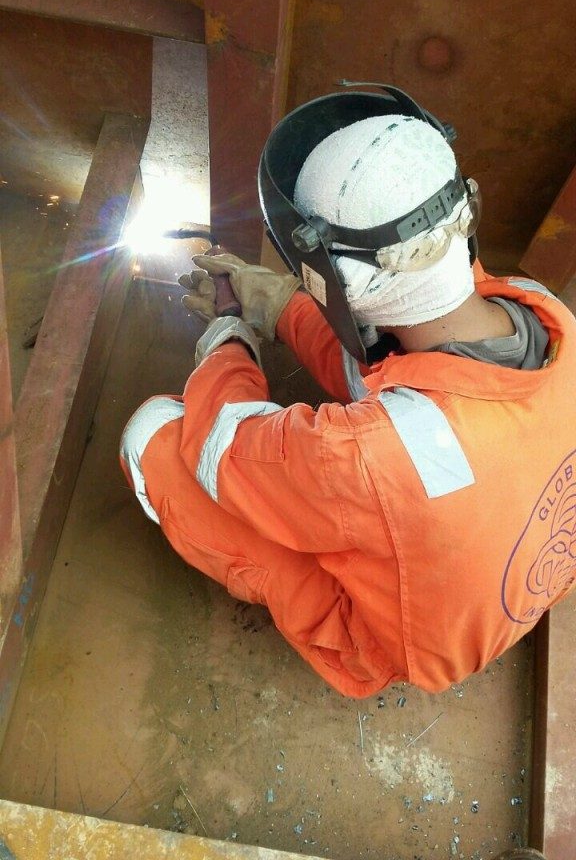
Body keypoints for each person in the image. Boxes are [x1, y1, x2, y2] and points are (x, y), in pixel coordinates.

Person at [120, 85, 576, 698]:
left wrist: (229, 335)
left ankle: (354, 648)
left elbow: (223, 447)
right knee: (388, 370)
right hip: (507, 578)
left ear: (344, 283)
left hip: (401, 643)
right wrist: (281, 305)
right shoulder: (544, 313)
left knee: (152, 434)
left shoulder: (371, 456)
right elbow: (386, 355)